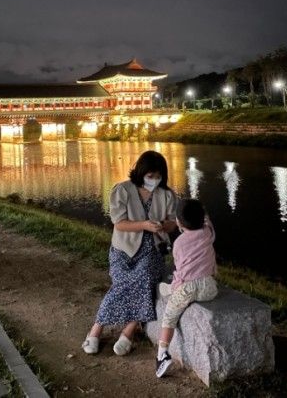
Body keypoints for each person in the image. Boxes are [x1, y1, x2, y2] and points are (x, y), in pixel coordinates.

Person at [82, 150, 178, 357]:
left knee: (144, 278)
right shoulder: (122, 190)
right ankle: (97, 329)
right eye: (150, 176)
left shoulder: (167, 195)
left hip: (152, 249)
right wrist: (144, 225)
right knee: (123, 282)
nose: (154, 180)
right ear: (141, 172)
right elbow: (119, 223)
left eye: (158, 176)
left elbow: (173, 223)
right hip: (123, 249)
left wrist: (163, 225)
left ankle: (128, 332)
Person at [155, 199, 218, 378]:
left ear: (179, 223)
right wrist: (202, 211)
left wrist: (176, 286)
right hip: (209, 287)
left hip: (188, 288)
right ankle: (169, 289)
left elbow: (181, 272)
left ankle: (162, 354)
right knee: (178, 288)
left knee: (169, 316)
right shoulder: (207, 233)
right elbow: (206, 220)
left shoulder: (179, 243)